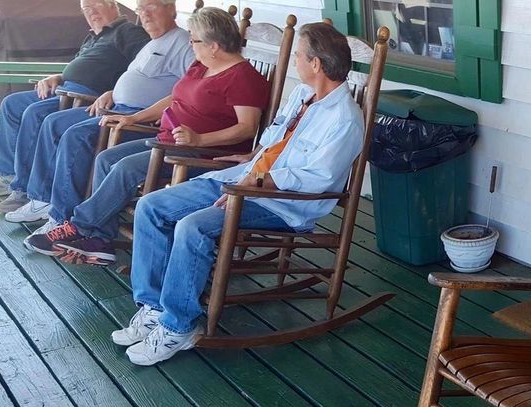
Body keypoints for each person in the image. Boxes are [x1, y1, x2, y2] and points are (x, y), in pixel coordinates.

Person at [109, 22, 364, 366]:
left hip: (281, 203)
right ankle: (154, 307)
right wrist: (251, 159)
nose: (295, 63)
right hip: (244, 177)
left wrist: (254, 184)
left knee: (193, 227)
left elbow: (316, 178)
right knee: (151, 206)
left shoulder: (345, 119)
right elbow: (277, 141)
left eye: (299, 57)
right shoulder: (301, 96)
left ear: (315, 64)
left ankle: (178, 324)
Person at [24, 6, 269, 265]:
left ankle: (80, 226)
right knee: (106, 159)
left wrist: (199, 140)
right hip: (168, 141)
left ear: (214, 45)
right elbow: (175, 97)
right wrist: (133, 118)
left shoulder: (243, 78)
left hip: (201, 153)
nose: (190, 45)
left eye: (194, 40)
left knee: (126, 169)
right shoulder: (201, 65)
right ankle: (100, 240)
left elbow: (247, 127)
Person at [4, 0, 195, 225]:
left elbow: (188, 91)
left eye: (151, 8)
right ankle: (42, 198)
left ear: (172, 10)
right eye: (140, 9)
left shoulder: (183, 44)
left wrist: (139, 116)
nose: (144, 14)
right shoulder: (152, 43)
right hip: (116, 107)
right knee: (55, 123)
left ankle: (60, 215)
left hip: (139, 119)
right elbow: (137, 78)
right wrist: (113, 91)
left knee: (76, 135)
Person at [0, 0, 151, 212]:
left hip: (86, 96)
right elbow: (78, 66)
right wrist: (57, 77)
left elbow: (143, 69)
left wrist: (115, 91)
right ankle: (9, 174)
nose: (92, 12)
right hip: (64, 88)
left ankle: (23, 189)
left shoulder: (128, 33)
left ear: (113, 6)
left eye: (97, 5)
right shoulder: (93, 37)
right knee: (11, 104)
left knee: (35, 114)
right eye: (86, 8)